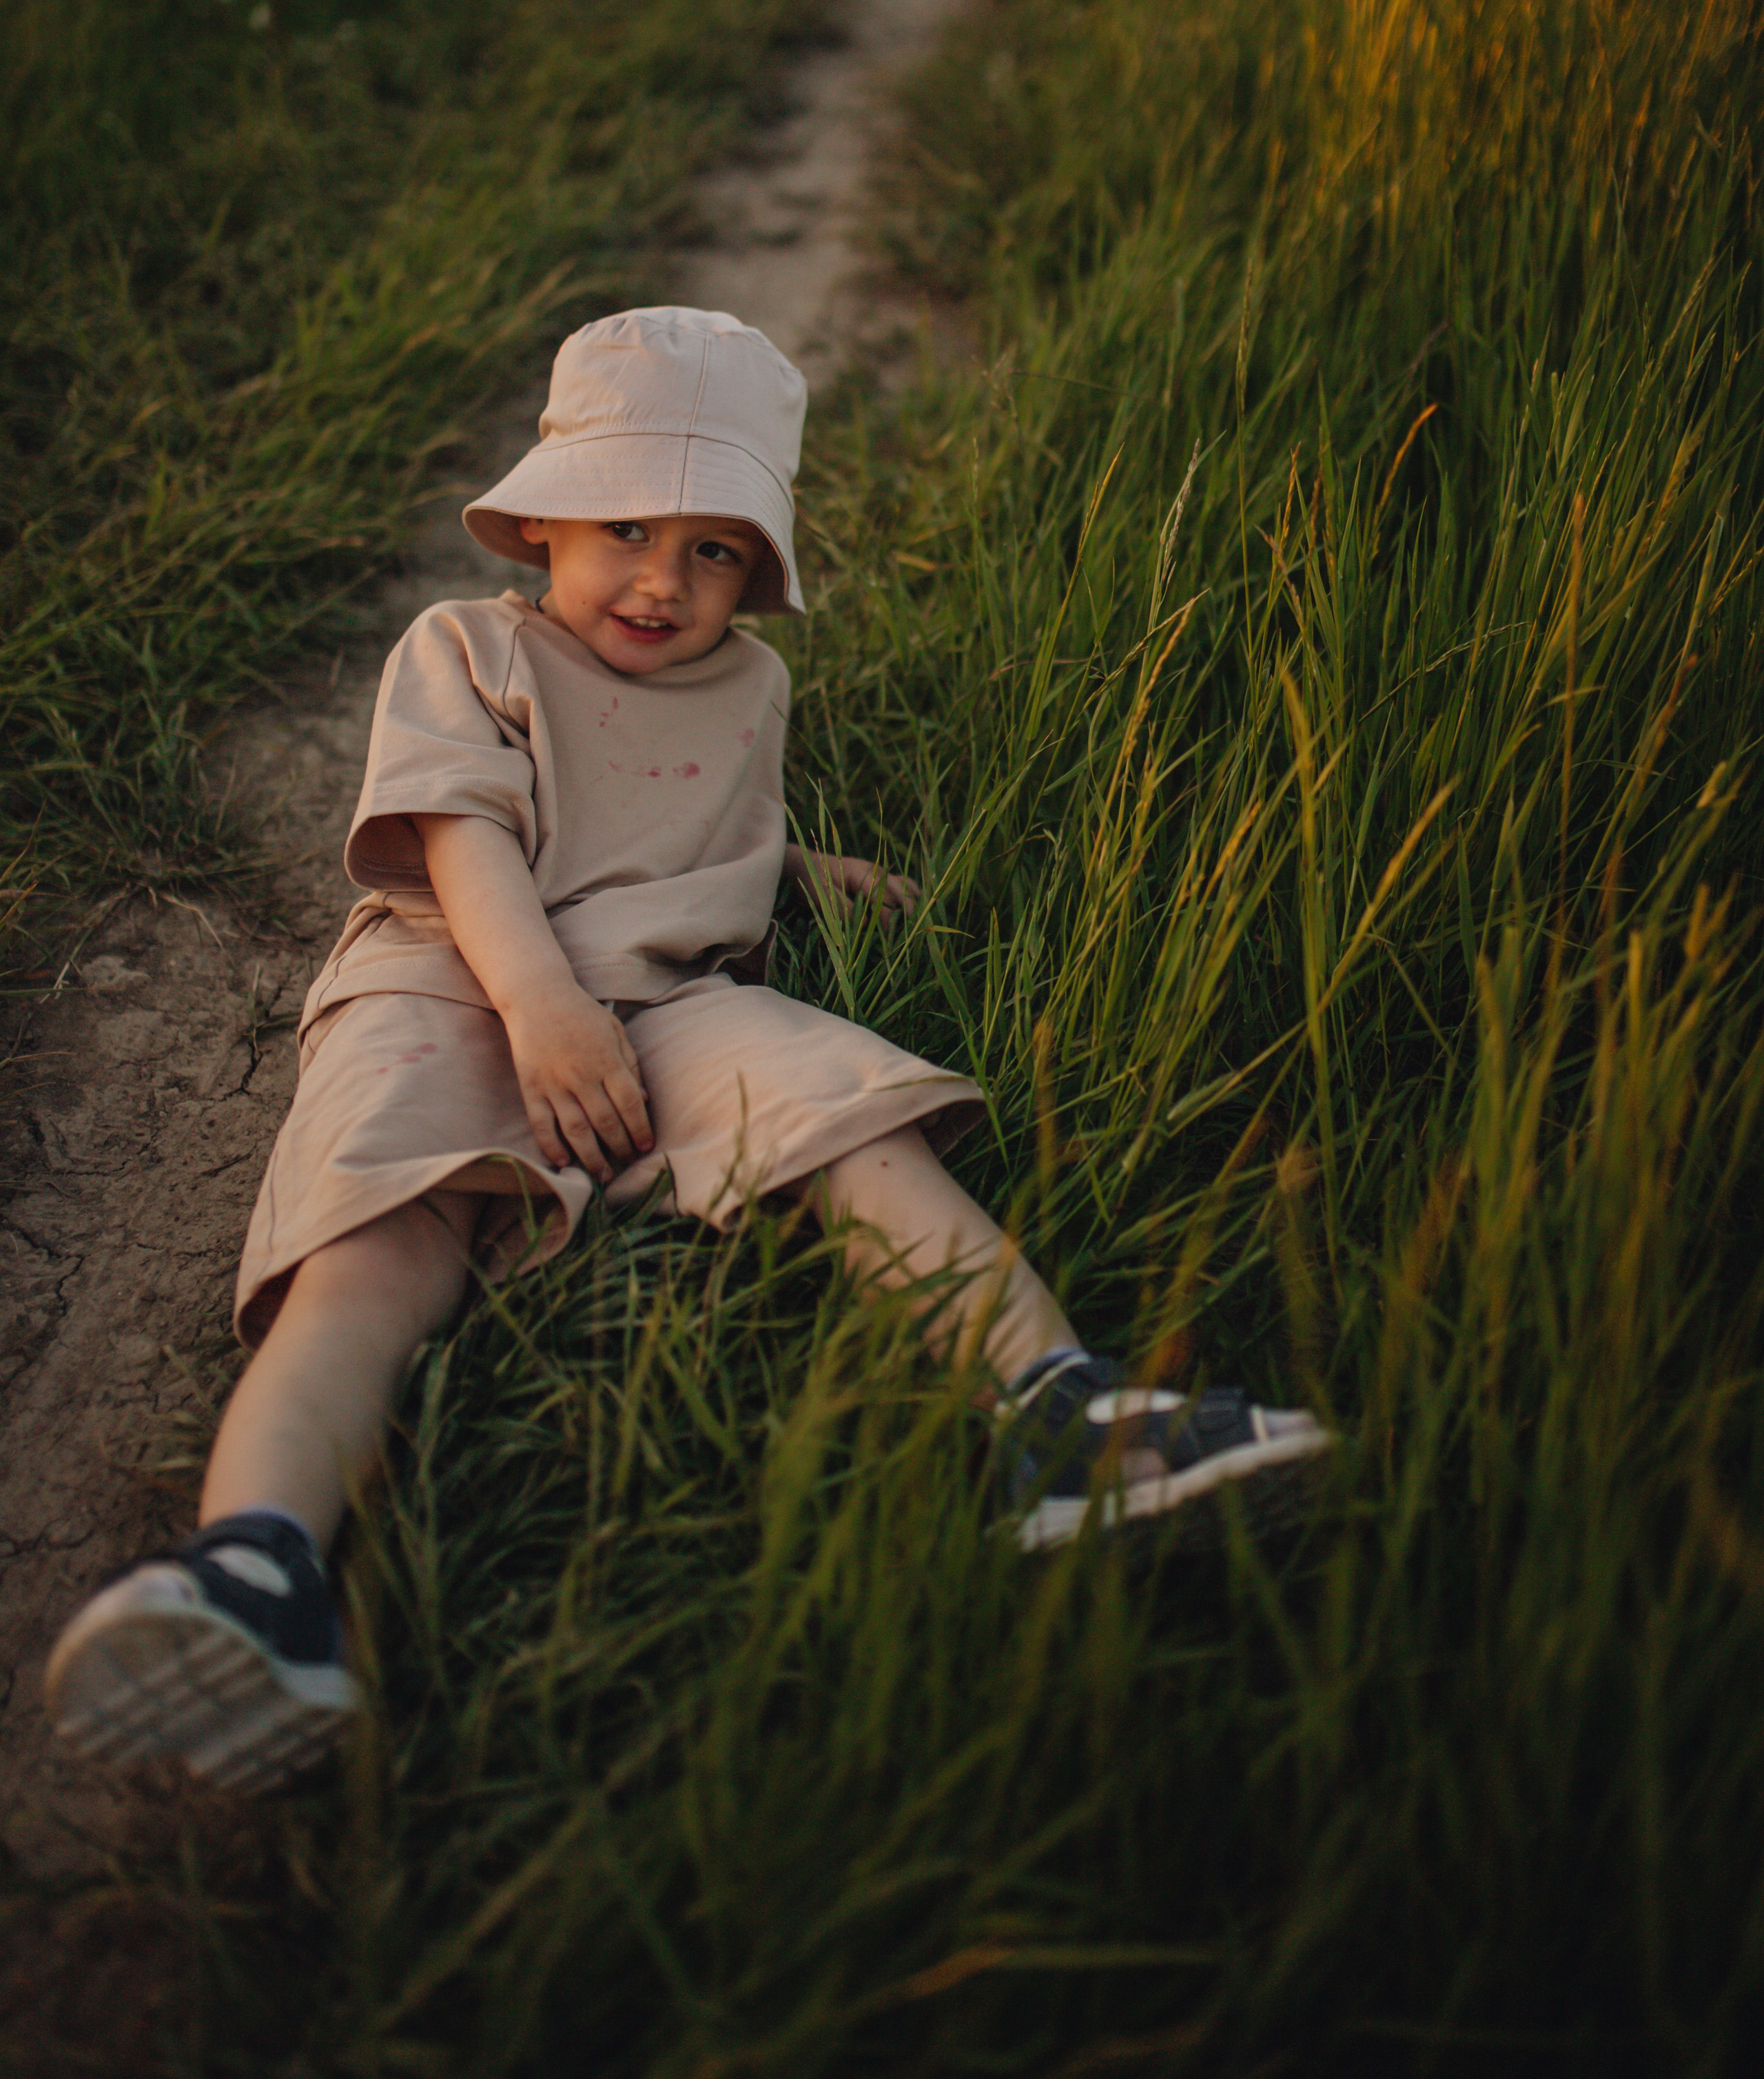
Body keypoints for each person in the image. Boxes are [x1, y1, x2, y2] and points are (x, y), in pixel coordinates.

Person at [44, 307, 1329, 1792]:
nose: (663, 578)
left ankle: (1061, 1409)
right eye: (626, 525)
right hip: (459, 973)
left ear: (757, 569)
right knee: (378, 1248)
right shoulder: (466, 646)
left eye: (714, 547)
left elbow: (701, 835)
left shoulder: (751, 690)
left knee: (854, 1124)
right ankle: (256, 1570)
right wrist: (538, 1007)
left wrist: (809, 872)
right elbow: (463, 837)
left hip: (675, 996)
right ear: (542, 524)